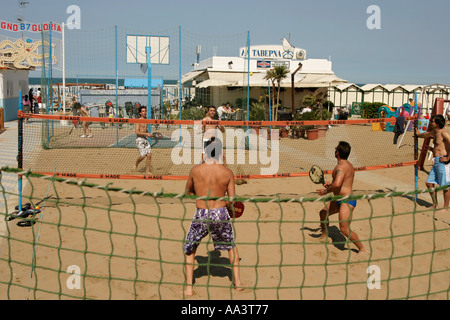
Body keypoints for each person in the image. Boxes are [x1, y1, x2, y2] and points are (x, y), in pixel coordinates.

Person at [183, 137, 244, 296]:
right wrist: (231, 210)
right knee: (231, 246)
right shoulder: (227, 172)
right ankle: (237, 283)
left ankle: (189, 288)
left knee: (190, 248)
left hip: (201, 213)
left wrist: (200, 193)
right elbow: (232, 200)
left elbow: (187, 192)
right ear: (220, 153)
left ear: (205, 152)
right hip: (220, 213)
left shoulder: (195, 170)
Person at [315, 141, 367, 254]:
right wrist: (331, 184)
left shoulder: (341, 167)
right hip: (339, 199)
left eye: (335, 149)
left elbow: (338, 184)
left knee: (344, 229)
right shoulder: (348, 165)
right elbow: (339, 183)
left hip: (347, 201)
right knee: (323, 213)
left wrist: (325, 191)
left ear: (337, 153)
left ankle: (362, 249)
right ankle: (324, 235)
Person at [416, 114, 450, 211]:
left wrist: (448, 157)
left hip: (443, 161)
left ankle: (446, 208)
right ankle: (435, 204)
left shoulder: (443, 133)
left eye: (433, 121)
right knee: (429, 183)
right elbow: (426, 134)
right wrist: (418, 134)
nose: (431, 123)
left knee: (445, 186)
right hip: (436, 161)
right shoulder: (434, 132)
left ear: (438, 123)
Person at [133, 106, 156, 174]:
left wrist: (150, 134)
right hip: (139, 139)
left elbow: (145, 131)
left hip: (145, 139)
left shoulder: (146, 120)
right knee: (143, 156)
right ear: (140, 113)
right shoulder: (138, 121)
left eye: (145, 111)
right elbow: (137, 132)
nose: (144, 112)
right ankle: (136, 164)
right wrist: (146, 134)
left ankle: (147, 171)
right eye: (143, 111)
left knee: (149, 155)